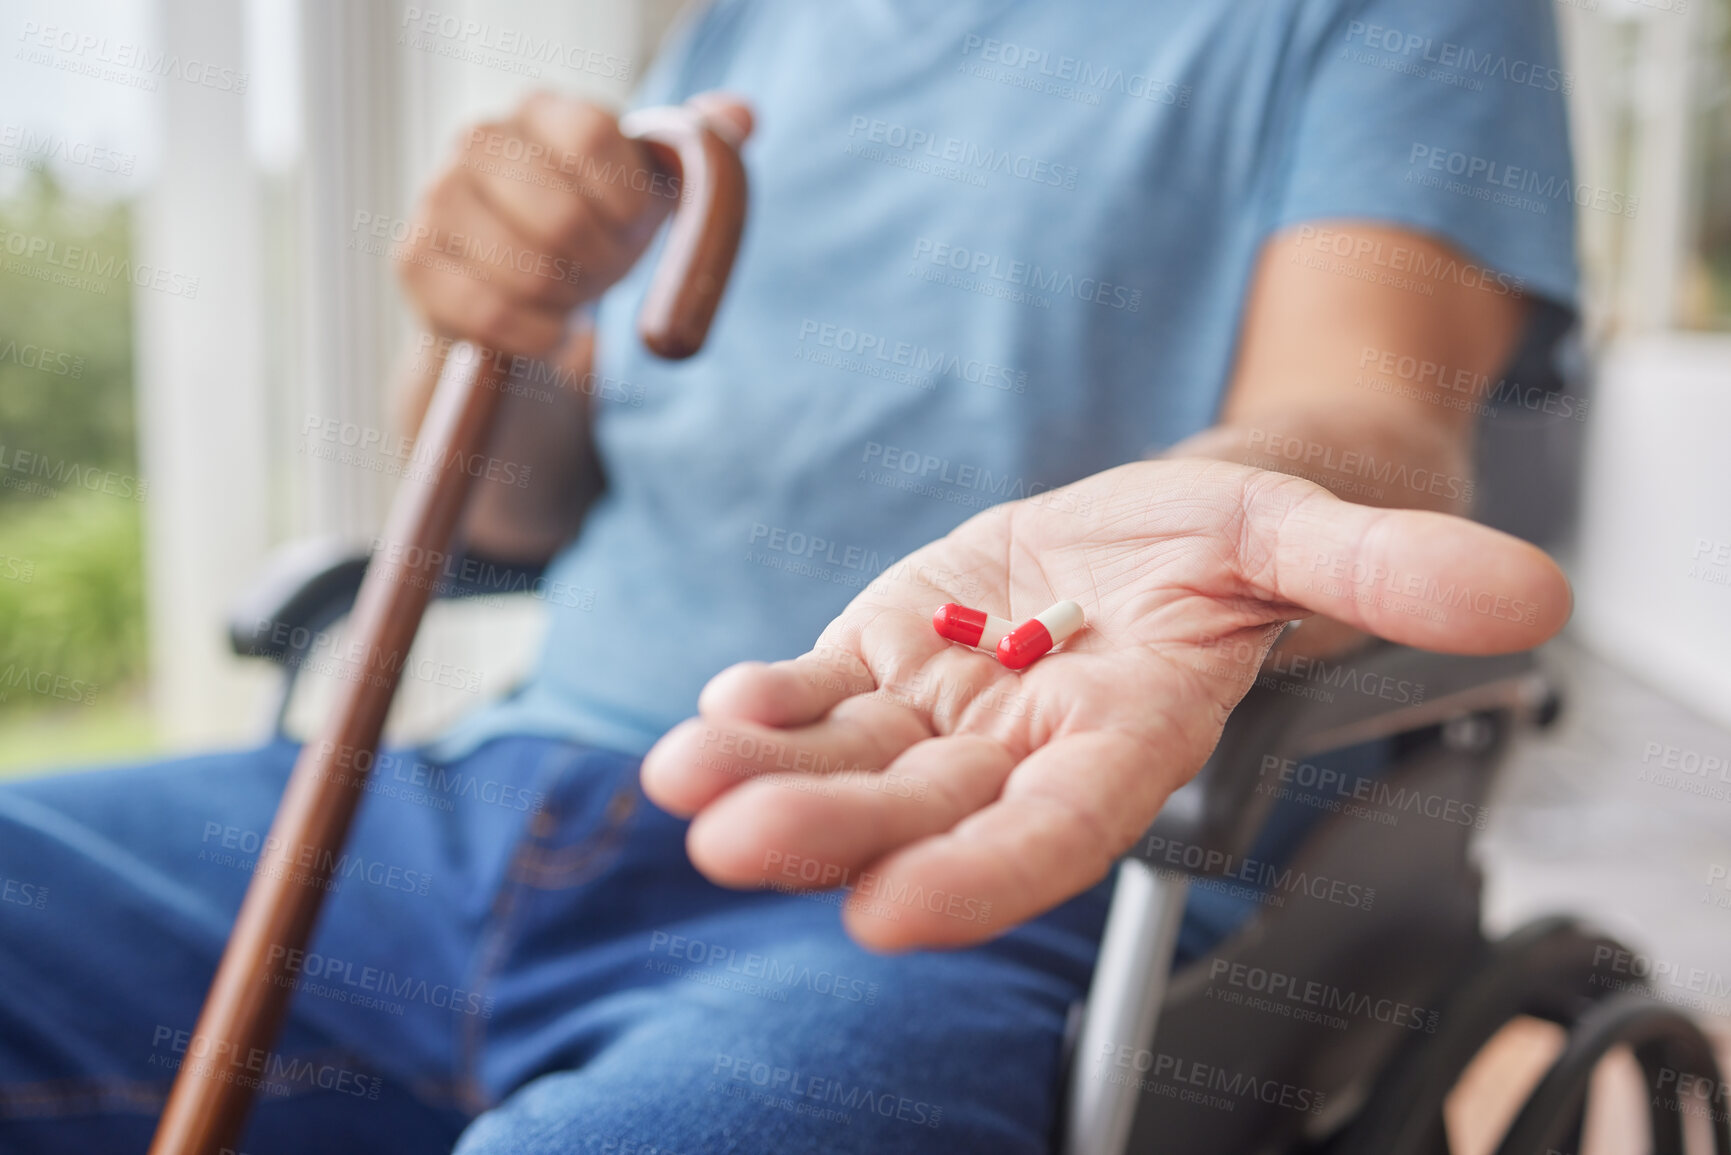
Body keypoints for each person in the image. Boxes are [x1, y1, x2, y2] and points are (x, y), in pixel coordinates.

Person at [0, 0, 1579, 1151]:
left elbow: (1378, 412)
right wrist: (500, 324)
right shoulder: (733, 31)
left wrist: (1209, 510)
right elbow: (513, 508)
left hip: (948, 877)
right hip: (488, 802)